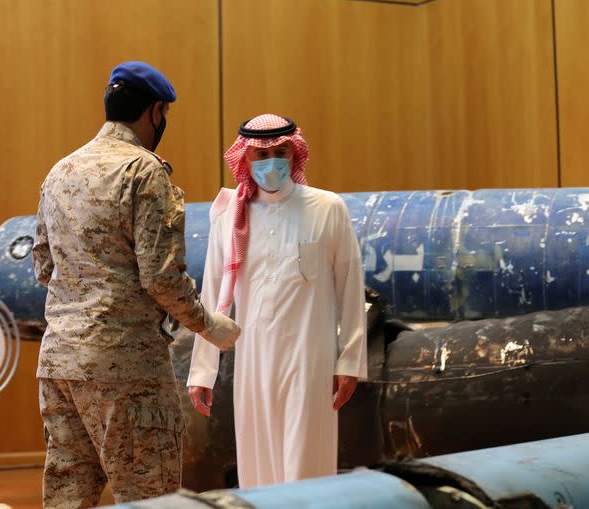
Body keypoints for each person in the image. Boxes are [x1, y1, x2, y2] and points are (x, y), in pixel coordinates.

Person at [33, 61, 240, 508]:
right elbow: (161, 277)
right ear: (156, 112)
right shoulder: (143, 171)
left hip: (59, 363)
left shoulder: (59, 172)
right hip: (125, 369)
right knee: (150, 497)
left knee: (69, 495)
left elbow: (44, 267)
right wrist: (208, 325)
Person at [186, 114, 367, 487]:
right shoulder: (228, 216)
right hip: (252, 360)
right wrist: (203, 370)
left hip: (310, 359)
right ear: (244, 159)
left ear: (294, 153)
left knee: (306, 464)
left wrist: (349, 360)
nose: (270, 161)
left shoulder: (327, 207)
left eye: (279, 151)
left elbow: (350, 287)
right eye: (260, 154)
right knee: (258, 465)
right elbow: (212, 292)